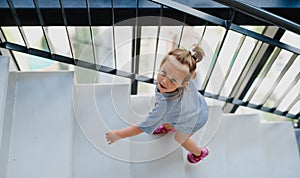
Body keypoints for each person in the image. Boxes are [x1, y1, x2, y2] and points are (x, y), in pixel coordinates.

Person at [106, 45, 209, 164]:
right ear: (161, 67)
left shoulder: (164, 107)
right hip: (195, 103)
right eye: (164, 73)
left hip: (195, 118)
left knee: (180, 138)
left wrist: (118, 134)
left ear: (183, 84)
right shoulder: (182, 76)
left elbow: (140, 127)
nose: (164, 81)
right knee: (170, 117)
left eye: (173, 80)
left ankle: (199, 153)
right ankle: (168, 127)